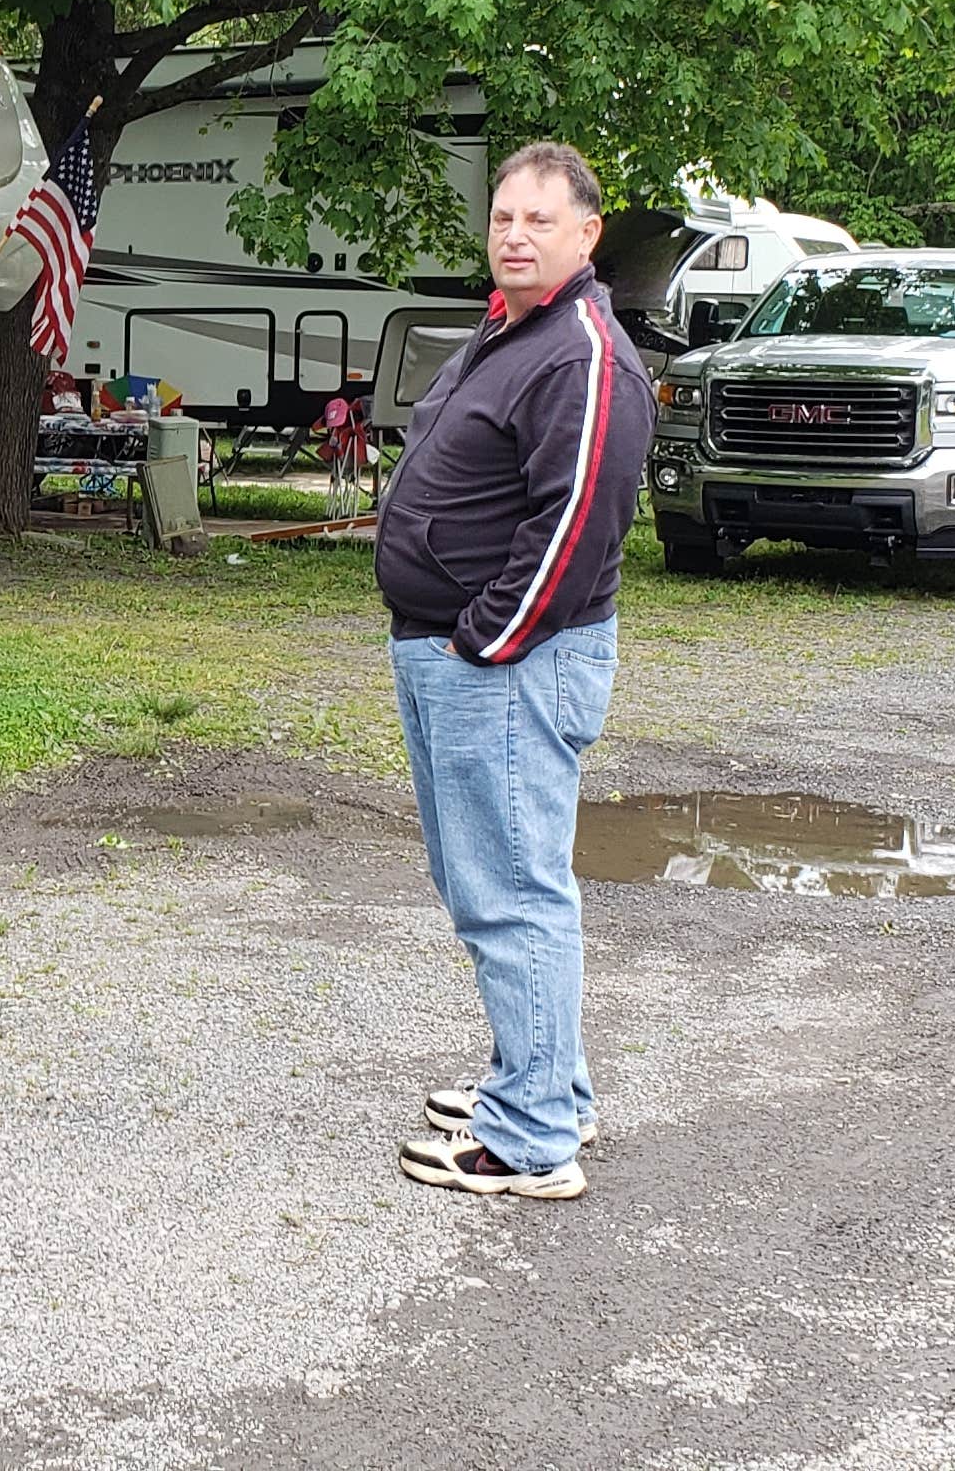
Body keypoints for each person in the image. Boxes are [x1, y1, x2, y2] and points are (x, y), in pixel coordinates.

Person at [372, 140, 651, 1201]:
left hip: (509, 664)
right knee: (484, 880)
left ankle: (531, 1138)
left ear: (587, 235)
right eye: (503, 216)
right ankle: (549, 1085)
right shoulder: (512, 331)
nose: (515, 234)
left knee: (514, 893)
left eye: (540, 219)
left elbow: (577, 522)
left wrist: (483, 639)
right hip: (460, 655)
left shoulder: (582, 350)